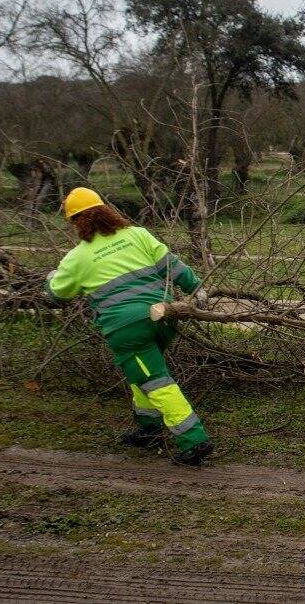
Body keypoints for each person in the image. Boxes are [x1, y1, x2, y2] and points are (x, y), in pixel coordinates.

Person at [46, 187, 214, 466]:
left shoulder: (77, 258)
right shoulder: (138, 234)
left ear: (77, 222)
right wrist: (198, 289)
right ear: (106, 211)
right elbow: (173, 266)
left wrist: (51, 277)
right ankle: (149, 429)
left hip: (127, 330)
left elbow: (56, 294)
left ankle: (195, 440)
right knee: (142, 371)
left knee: (154, 379)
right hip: (164, 318)